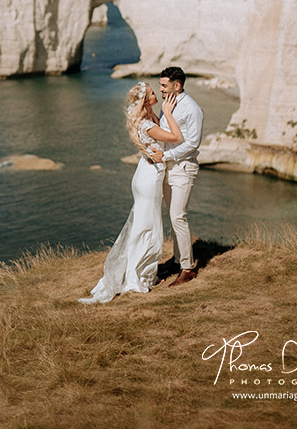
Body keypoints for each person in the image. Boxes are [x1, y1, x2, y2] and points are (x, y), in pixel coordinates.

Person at [79, 81, 182, 304]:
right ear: (147, 100)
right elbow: (176, 138)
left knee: (143, 225)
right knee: (146, 227)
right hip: (149, 177)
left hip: (145, 173)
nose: (158, 94)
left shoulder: (148, 118)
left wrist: (160, 115)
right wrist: (168, 114)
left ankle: (143, 272)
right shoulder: (147, 124)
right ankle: (138, 277)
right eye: (154, 93)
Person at [149, 66, 205, 287]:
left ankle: (188, 268)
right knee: (173, 218)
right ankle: (176, 260)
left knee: (178, 216)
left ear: (177, 85)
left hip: (183, 168)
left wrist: (166, 155)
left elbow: (192, 143)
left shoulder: (192, 109)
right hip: (168, 167)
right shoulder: (168, 105)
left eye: (164, 85)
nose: (161, 89)